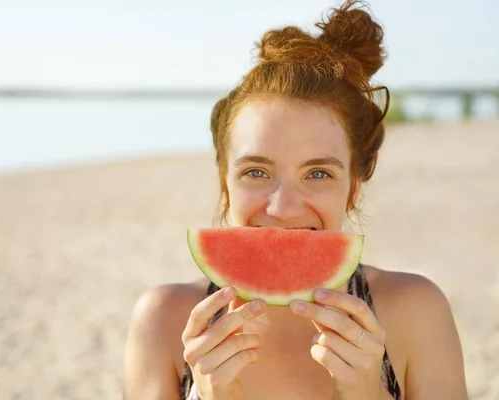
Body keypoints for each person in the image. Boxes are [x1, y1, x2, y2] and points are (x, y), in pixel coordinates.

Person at [122, 1, 468, 399]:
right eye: (257, 172)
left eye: (318, 173)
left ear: (354, 188)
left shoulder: (414, 312)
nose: (283, 208)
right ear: (225, 184)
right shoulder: (163, 321)